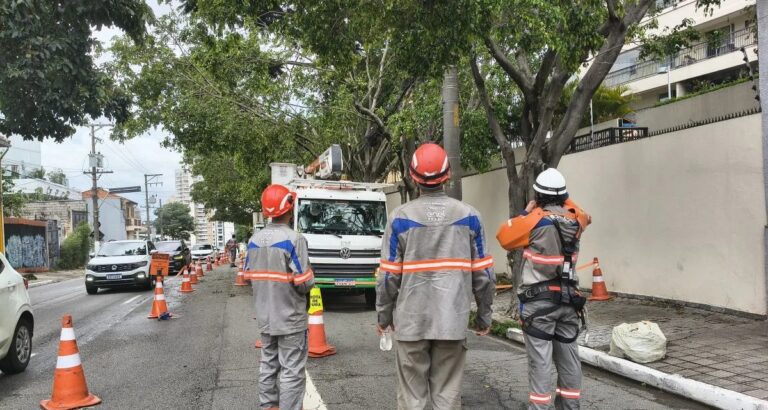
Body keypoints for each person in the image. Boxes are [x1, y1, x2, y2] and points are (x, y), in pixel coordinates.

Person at [376, 142, 496, 410]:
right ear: (448, 175)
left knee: (411, 399)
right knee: (447, 397)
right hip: (451, 323)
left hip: (410, 325)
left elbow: (387, 279)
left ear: (413, 177)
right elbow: (485, 276)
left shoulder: (399, 218)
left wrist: (384, 318)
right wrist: (484, 317)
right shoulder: (470, 217)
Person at [496, 168, 591, 410]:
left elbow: (504, 236)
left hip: (539, 305)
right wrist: (564, 198)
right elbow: (583, 213)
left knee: (540, 364)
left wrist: (528, 209)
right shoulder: (576, 220)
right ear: (564, 196)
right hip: (569, 303)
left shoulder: (534, 221)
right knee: (569, 363)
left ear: (538, 195)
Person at [244, 184, 314, 410]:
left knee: (268, 365)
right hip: (291, 318)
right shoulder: (295, 239)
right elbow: (304, 283)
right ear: (289, 208)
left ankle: (268, 406)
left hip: (265, 318)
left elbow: (247, 277)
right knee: (292, 370)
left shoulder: (253, 241)